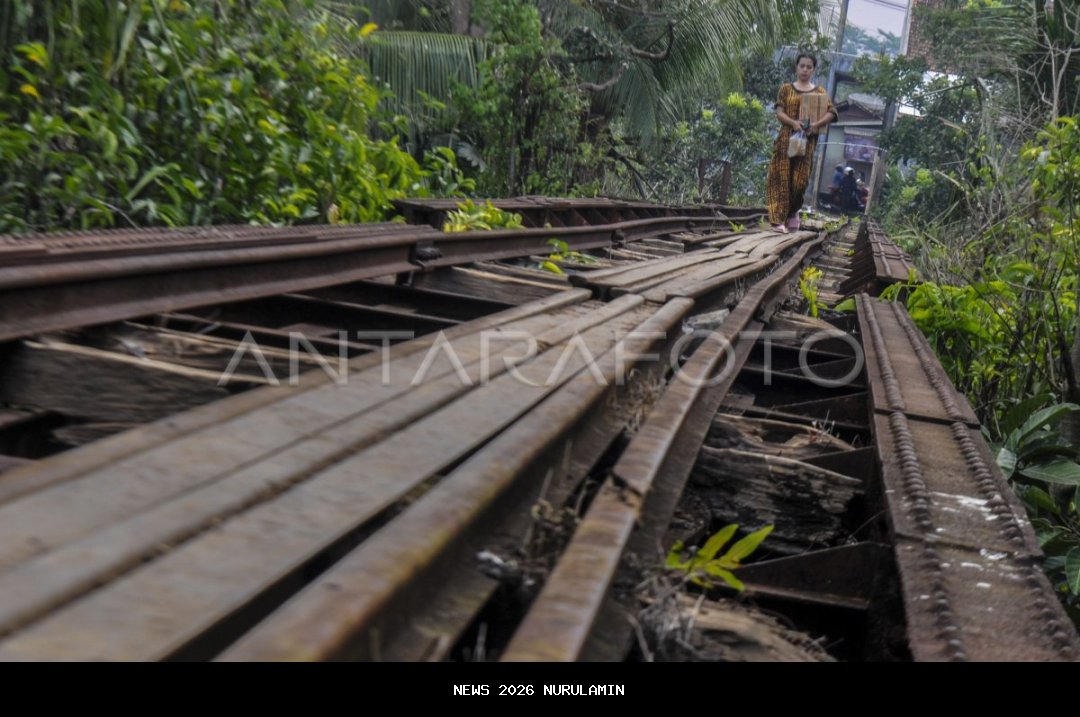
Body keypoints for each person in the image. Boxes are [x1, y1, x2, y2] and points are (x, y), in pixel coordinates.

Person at [766, 53, 837, 233]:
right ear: (797, 67)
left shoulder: (819, 92)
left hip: (807, 142)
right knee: (781, 179)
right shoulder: (786, 89)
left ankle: (793, 212)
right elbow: (779, 112)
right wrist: (793, 123)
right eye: (802, 66)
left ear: (813, 70)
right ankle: (778, 221)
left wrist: (815, 125)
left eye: (809, 67)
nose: (805, 69)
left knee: (799, 181)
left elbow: (832, 113)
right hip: (785, 140)